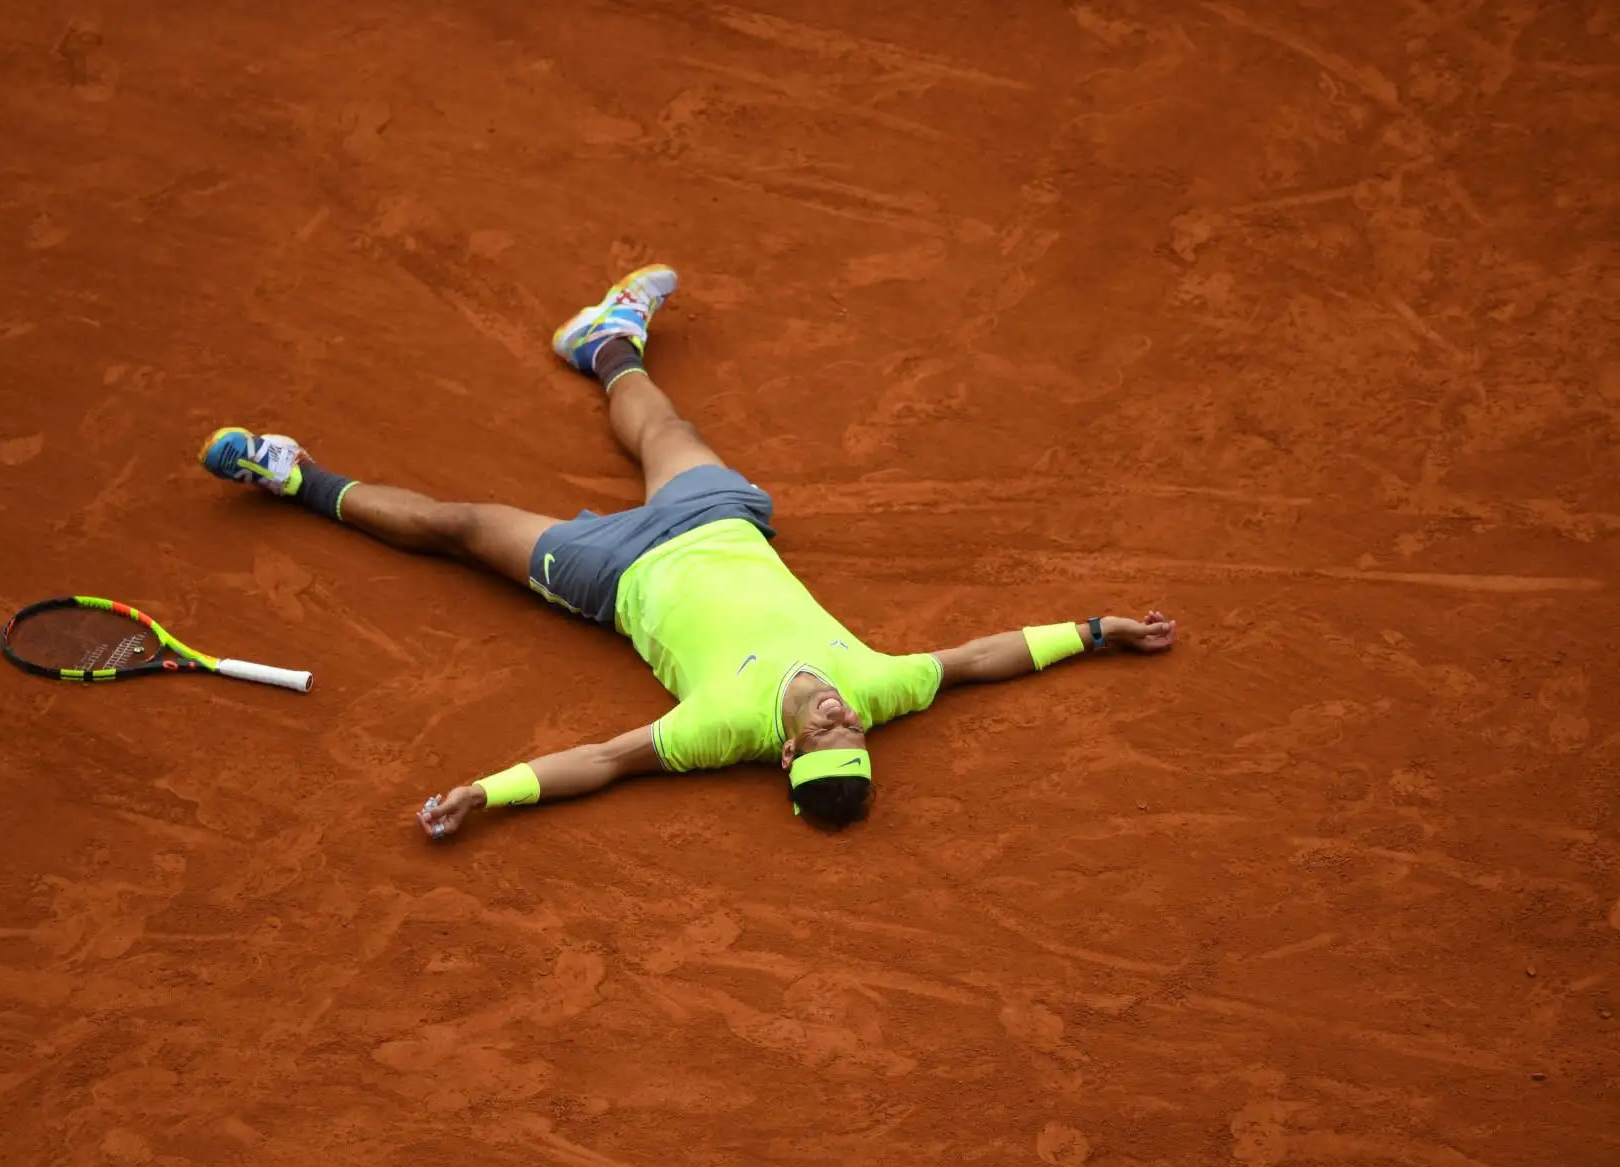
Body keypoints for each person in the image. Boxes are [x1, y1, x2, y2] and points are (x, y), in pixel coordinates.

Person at [198, 265, 1177, 839]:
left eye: (829, 737)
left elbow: (603, 761)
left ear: (787, 752)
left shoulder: (721, 732)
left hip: (612, 574)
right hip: (715, 521)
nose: (846, 719)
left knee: (461, 527)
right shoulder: (881, 687)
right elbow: (978, 659)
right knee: (659, 423)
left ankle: (292, 477)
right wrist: (1097, 631)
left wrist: (488, 794)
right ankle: (608, 340)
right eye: (853, 732)